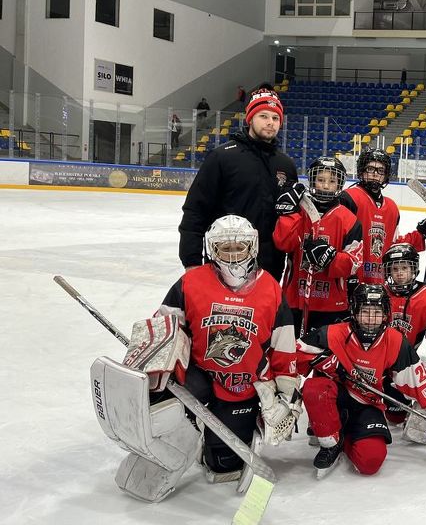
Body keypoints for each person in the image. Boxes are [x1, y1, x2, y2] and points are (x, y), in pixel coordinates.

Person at [92, 215, 298, 502]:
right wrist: (151, 356)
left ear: (252, 248)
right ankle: (176, 444)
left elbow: (285, 346)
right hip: (197, 375)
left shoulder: (271, 289)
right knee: (157, 404)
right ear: (212, 250)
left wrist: (285, 395)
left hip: (243, 385)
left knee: (222, 465)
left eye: (240, 247)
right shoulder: (191, 281)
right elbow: (164, 326)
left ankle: (213, 439)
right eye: (225, 248)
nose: (233, 254)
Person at [296, 284, 426, 477]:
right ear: (354, 312)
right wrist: (325, 361)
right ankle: (331, 442)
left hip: (368, 403)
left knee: (370, 462)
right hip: (338, 397)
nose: (371, 320)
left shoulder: (395, 341)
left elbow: (415, 376)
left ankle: (343, 436)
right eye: (365, 312)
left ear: (386, 314)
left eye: (377, 313)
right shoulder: (333, 333)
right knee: (314, 387)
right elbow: (294, 353)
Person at [179, 88, 297, 280]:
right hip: (226, 263)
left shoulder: (286, 165)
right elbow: (196, 211)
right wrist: (191, 261)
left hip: (270, 268)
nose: (270, 123)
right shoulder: (222, 157)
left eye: (276, 118)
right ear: (250, 118)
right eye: (264, 116)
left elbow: (291, 221)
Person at [273, 156, 363, 334]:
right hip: (294, 298)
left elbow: (354, 263)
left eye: (332, 181)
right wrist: (288, 213)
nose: (326, 185)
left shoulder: (349, 220)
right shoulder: (299, 211)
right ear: (313, 181)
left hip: (331, 304)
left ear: (339, 184)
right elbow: (283, 243)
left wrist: (331, 258)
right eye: (320, 180)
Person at [381, 242, 426, 422]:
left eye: (405, 267)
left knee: (396, 416)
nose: (400, 273)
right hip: (378, 362)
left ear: (414, 269)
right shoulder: (380, 295)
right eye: (395, 269)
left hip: (407, 364)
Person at [340, 148, 426, 287]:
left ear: (386, 175)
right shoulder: (349, 198)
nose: (375, 174)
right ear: (362, 171)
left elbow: (392, 243)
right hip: (349, 282)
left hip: (380, 284)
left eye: (380, 171)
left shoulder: (392, 207)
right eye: (370, 169)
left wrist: (421, 234)